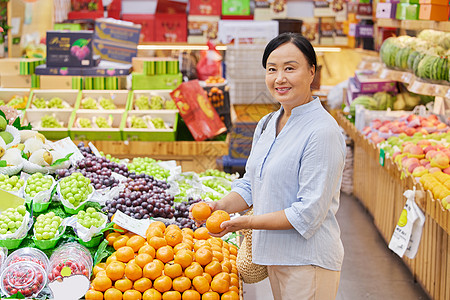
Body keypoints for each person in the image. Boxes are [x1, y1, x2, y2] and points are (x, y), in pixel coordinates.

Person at [197, 33, 346, 299]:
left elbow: (307, 213)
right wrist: (220, 207)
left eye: (290, 68)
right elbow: (251, 183)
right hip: (274, 257)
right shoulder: (267, 123)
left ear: (312, 71)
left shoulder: (322, 132)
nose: (280, 78)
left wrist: (246, 222)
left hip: (307, 261)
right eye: (272, 69)